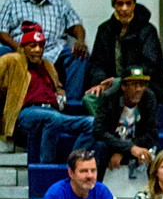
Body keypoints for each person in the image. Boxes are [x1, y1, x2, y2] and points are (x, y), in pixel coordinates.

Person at [0, 23, 93, 163]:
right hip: (26, 114)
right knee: (53, 118)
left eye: (41, 46)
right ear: (23, 48)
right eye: (32, 46)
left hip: (52, 112)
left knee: (92, 123)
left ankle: (75, 163)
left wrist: (61, 96)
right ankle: (45, 168)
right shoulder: (12, 61)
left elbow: (58, 87)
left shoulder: (48, 65)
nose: (37, 50)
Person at [0, 0, 89, 101]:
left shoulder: (59, 2)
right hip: (22, 51)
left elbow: (76, 25)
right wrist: (19, 48)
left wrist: (80, 41)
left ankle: (71, 104)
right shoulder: (12, 3)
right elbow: (2, 32)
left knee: (80, 54)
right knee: (3, 52)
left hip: (55, 50)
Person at [85, 0, 163, 106]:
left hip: (142, 84)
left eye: (128, 3)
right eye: (120, 4)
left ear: (134, 4)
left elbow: (150, 65)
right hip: (113, 86)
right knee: (90, 98)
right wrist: (101, 82)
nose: (125, 8)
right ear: (114, 6)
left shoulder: (147, 30)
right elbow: (97, 63)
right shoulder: (104, 30)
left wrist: (122, 79)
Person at [91, 67, 159, 178]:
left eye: (142, 85)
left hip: (138, 144)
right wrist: (129, 148)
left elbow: (152, 133)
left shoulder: (149, 98)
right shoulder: (109, 97)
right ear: (123, 86)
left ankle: (153, 187)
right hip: (113, 144)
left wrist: (124, 151)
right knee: (100, 146)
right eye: (134, 85)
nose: (139, 89)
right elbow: (99, 131)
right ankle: (95, 184)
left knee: (156, 152)